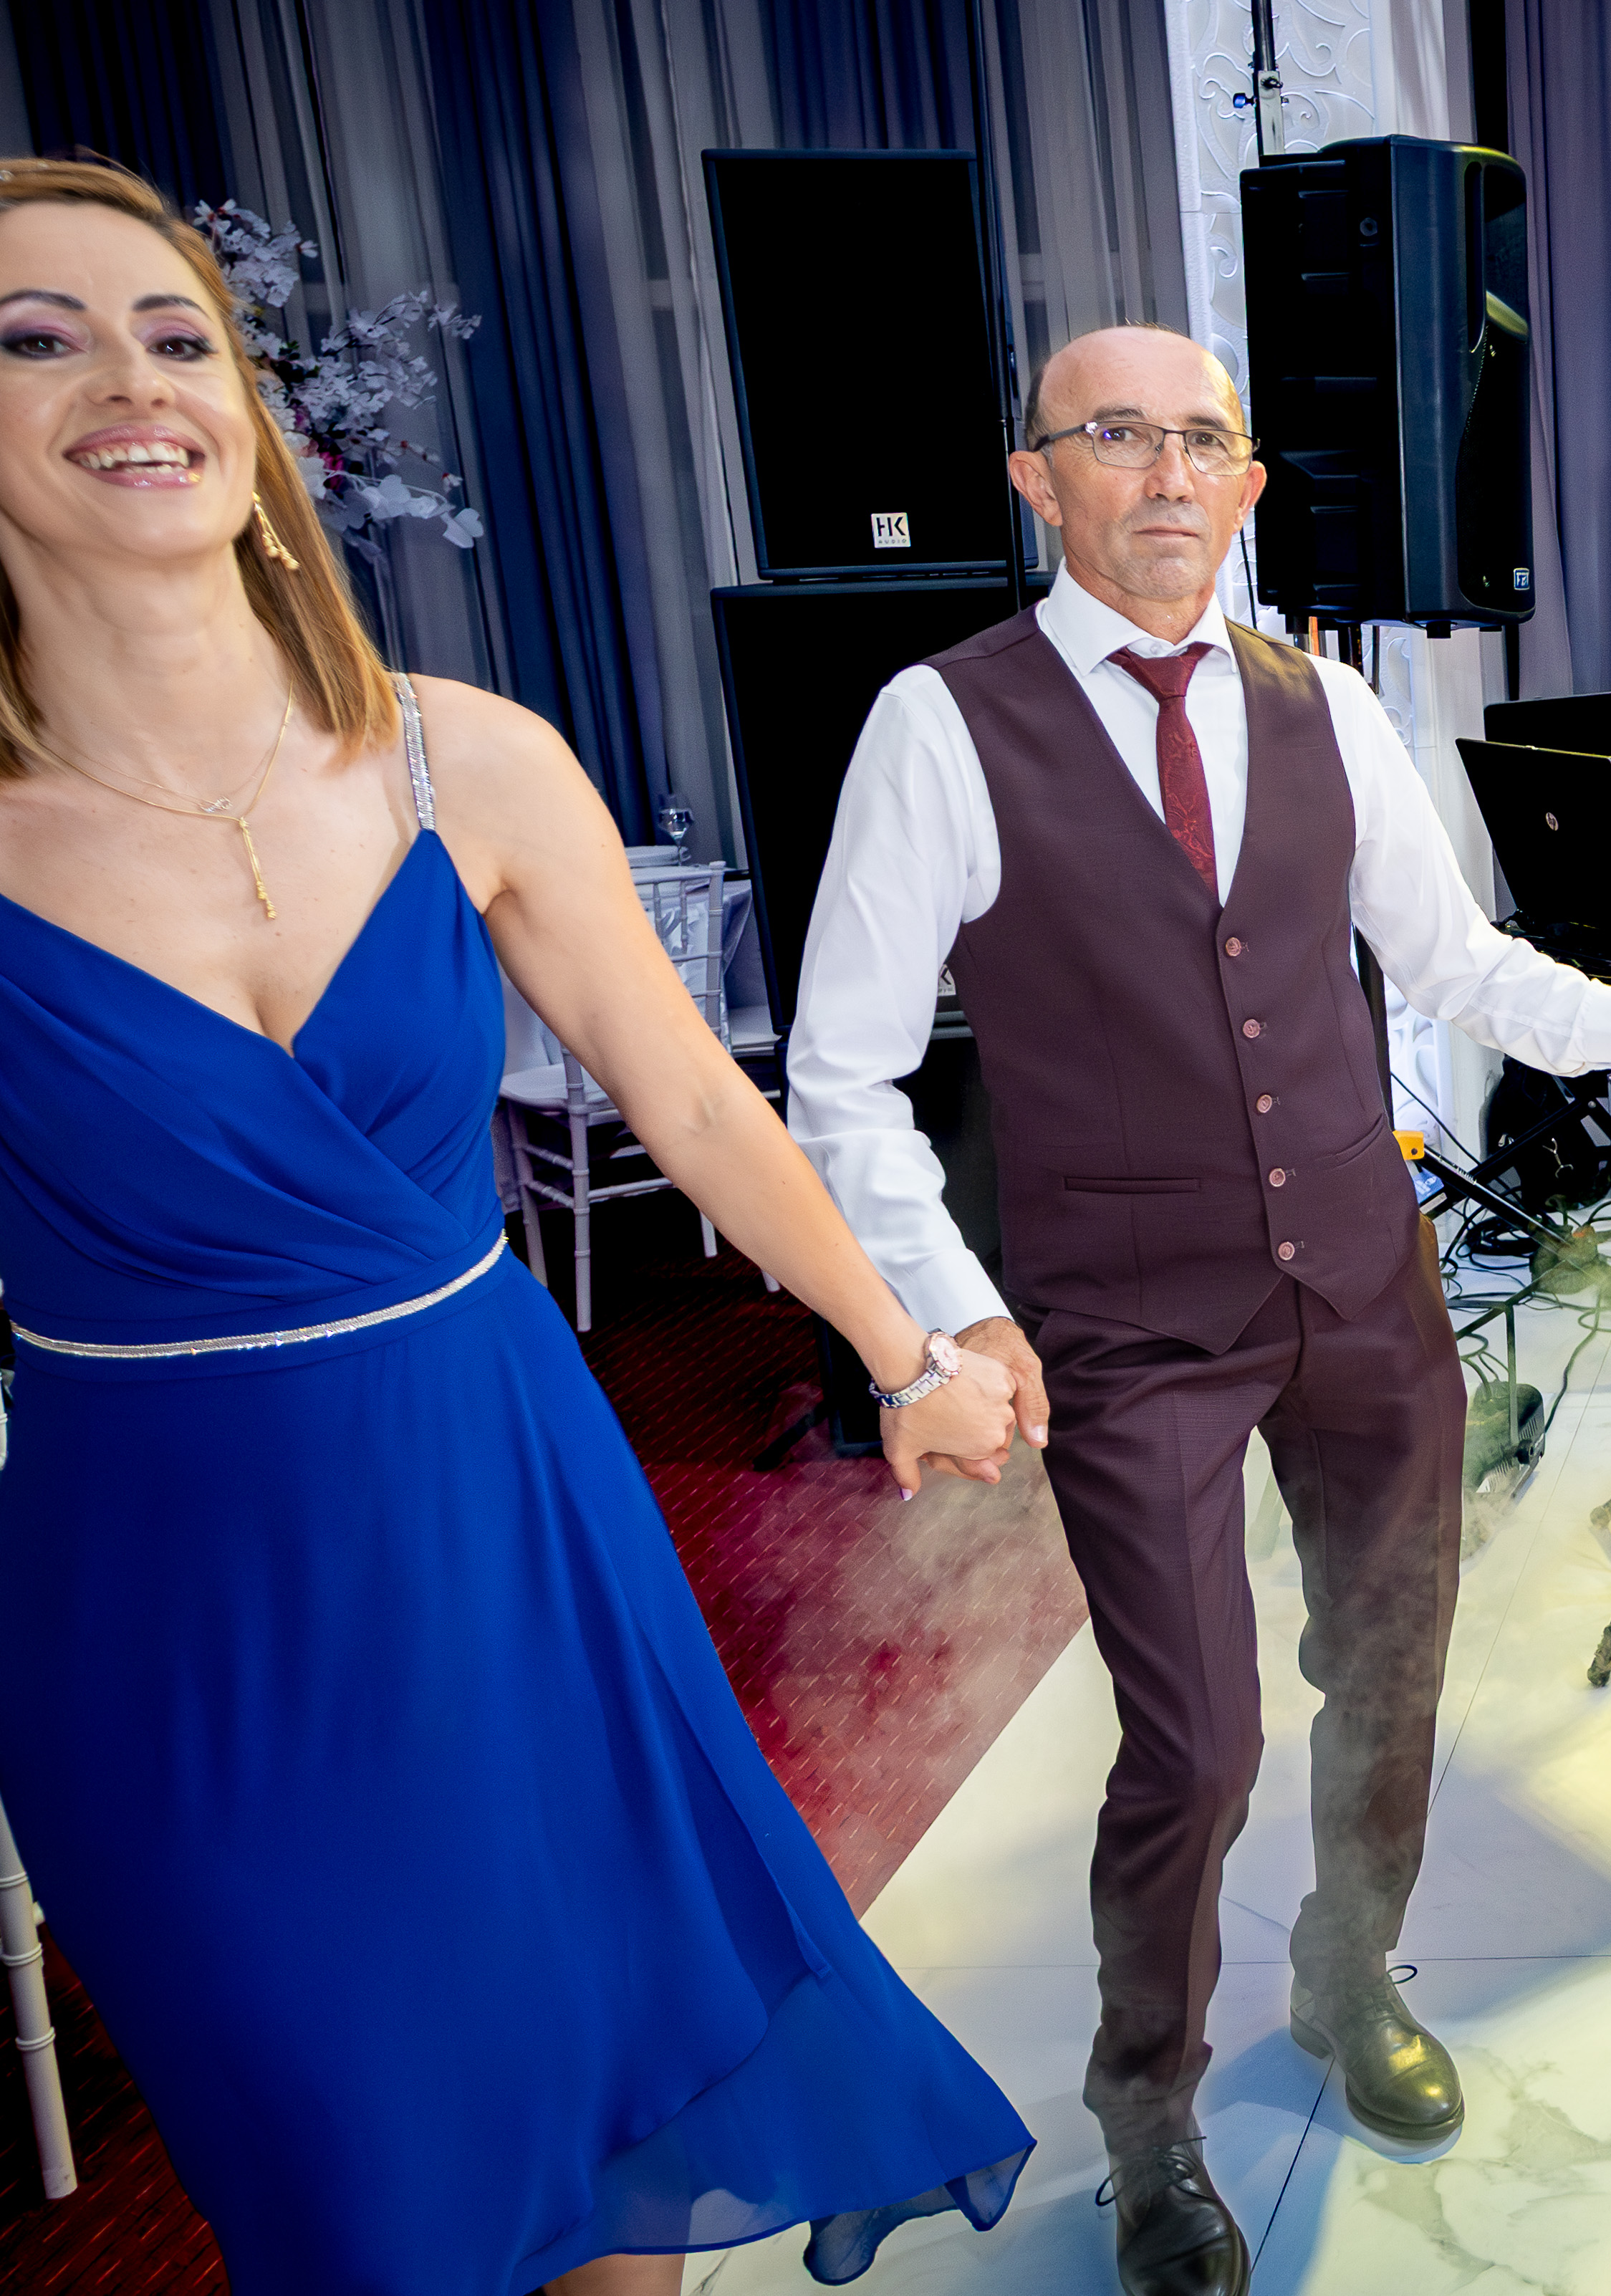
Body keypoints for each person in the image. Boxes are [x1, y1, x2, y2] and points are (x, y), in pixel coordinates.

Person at [0, 158, 1029, 2296]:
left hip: (511, 1521)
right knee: (346, 2145)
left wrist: (907, 1351)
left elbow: (693, 1100)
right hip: (171, 1595)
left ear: (250, 413)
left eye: (177, 335)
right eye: (36, 338)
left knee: (604, 2077)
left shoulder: (458, 761)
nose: (132, 380)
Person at [785, 323, 1611, 2296]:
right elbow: (841, 1076)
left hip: (1361, 1275)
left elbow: (1459, 963)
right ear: (1038, 477)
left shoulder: (1326, 705)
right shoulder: (943, 722)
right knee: (1197, 1740)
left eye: (1203, 440)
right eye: (1119, 436)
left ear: (1250, 485)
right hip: (1124, 1315)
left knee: (1392, 1664)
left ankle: (1347, 1971)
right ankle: (1147, 2105)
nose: (1168, 474)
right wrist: (952, 1316)